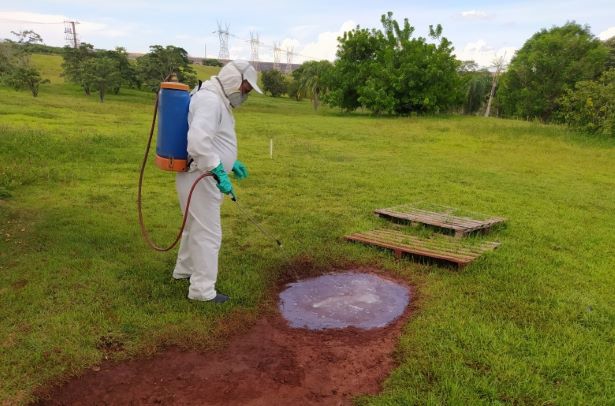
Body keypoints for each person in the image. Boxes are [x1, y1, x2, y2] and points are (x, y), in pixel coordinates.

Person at [172, 60, 262, 303]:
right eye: (245, 89)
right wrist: (219, 170)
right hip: (201, 176)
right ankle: (202, 292)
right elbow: (198, 142)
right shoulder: (211, 100)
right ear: (234, 79)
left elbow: (213, 138)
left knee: (194, 226)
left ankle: (184, 271)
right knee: (209, 233)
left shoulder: (213, 97)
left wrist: (232, 162)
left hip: (197, 174)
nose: (245, 95)